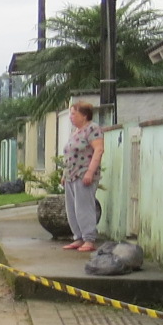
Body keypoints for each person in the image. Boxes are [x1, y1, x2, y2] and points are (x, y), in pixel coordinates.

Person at [62, 100, 105, 253]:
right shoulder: (75, 132)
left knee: (84, 207)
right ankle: (78, 237)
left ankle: (89, 239)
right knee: (72, 208)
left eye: (74, 114)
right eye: (71, 114)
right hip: (71, 175)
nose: (71, 117)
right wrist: (64, 174)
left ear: (84, 115)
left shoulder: (93, 129)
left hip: (83, 174)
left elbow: (98, 150)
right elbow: (69, 154)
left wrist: (90, 172)